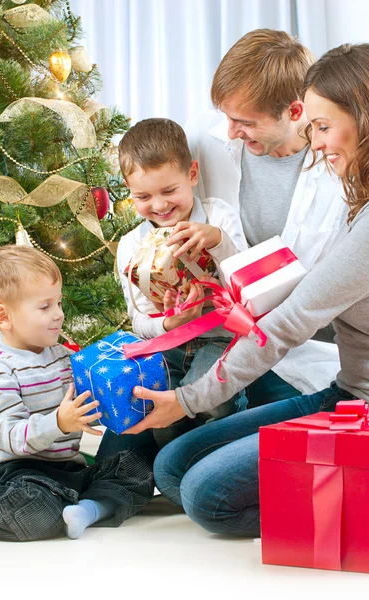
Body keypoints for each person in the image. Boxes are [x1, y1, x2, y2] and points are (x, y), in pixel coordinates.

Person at [126, 43, 369, 537]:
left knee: (207, 498)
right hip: (349, 392)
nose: (317, 142)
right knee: (174, 466)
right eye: (313, 128)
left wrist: (185, 400)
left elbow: (291, 321)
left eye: (325, 127)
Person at [0, 245, 154, 541]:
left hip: (69, 470)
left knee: (136, 469)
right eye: (45, 307)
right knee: (34, 510)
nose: (59, 315)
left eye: (58, 303)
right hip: (17, 474)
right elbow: (11, 436)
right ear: (3, 317)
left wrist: (107, 402)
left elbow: (79, 412)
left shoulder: (62, 357)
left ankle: (87, 510)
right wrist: (59, 422)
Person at [185, 29, 347, 398]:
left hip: (300, 351)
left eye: (245, 121)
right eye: (226, 116)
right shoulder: (204, 139)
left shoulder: (339, 173)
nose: (230, 130)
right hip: (214, 334)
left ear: (295, 111)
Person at [96, 117, 253, 459]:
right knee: (157, 411)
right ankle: (174, 463)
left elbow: (248, 284)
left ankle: (215, 456)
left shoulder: (217, 217)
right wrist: (170, 323)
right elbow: (138, 319)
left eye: (169, 191)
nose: (160, 205)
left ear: (192, 174)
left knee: (207, 399)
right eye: (143, 196)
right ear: (127, 189)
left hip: (221, 339)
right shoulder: (130, 245)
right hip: (167, 345)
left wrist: (217, 241)